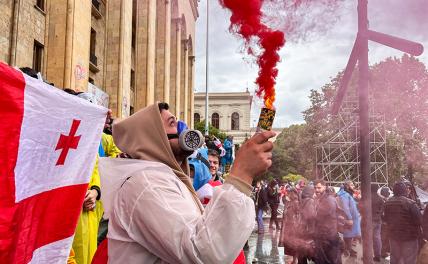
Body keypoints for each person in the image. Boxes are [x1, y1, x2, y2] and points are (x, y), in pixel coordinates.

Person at [102, 102, 275, 263]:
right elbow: (203, 252)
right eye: (172, 124)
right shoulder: (146, 184)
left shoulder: (163, 178)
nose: (182, 128)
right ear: (153, 137)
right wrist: (242, 175)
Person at [382, 181, 422, 264]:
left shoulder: (387, 203)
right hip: (409, 237)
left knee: (395, 258)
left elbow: (384, 218)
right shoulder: (410, 203)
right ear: (404, 190)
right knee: (409, 259)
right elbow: (419, 220)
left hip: (393, 235)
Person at [313, 179, 342, 264]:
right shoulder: (322, 199)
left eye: (319, 188)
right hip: (324, 237)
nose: (317, 190)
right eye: (315, 188)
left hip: (328, 237)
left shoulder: (328, 200)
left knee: (330, 260)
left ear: (324, 187)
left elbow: (321, 218)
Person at [336, 180, 361, 258]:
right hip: (349, 219)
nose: (353, 187)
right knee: (348, 235)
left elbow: (351, 204)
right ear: (347, 186)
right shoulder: (344, 195)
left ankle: (349, 249)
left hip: (352, 218)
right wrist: (349, 218)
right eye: (352, 185)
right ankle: (347, 250)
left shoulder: (347, 194)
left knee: (350, 236)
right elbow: (345, 208)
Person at [371, 184, 385, 262]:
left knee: (367, 238)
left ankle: (368, 255)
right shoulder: (380, 198)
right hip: (378, 220)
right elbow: (382, 209)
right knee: (377, 238)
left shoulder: (367, 197)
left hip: (369, 220)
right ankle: (377, 255)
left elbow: (361, 207)